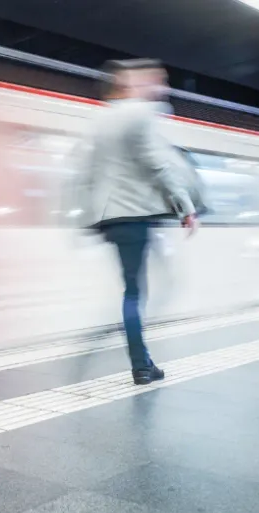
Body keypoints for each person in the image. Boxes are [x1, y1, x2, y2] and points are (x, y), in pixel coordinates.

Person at [74, 58, 199, 385]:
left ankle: (134, 349)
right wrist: (185, 207)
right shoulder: (138, 114)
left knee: (134, 287)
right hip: (135, 216)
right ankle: (141, 364)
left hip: (110, 219)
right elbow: (157, 165)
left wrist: (86, 219)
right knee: (137, 291)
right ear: (124, 84)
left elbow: (86, 174)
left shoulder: (98, 120)